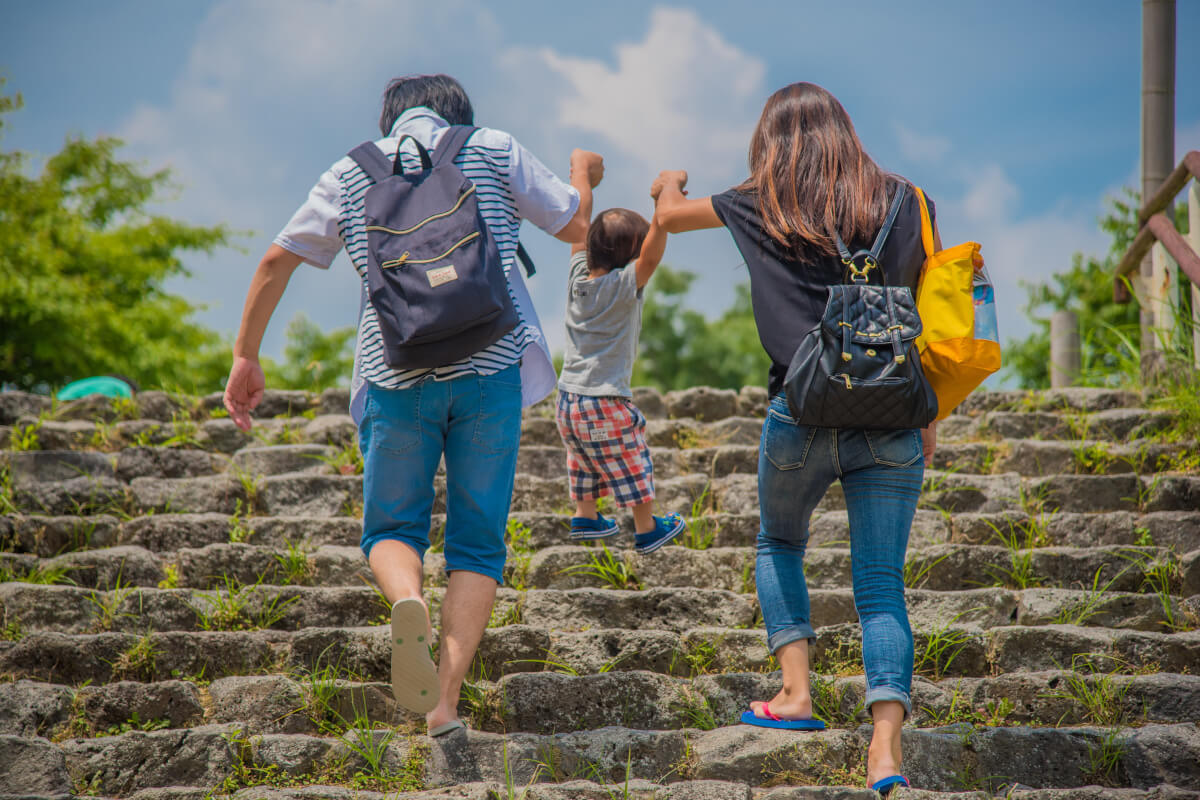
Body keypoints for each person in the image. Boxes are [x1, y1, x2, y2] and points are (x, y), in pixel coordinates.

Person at [222, 73, 601, 737]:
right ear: (459, 115)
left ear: (389, 119)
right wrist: (580, 173)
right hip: (489, 371)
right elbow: (579, 228)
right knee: (477, 547)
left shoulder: (349, 170)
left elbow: (275, 261)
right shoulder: (492, 148)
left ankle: (407, 601)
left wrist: (246, 356)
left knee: (392, 529)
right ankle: (444, 706)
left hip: (396, 375)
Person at [650, 81, 983, 795]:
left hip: (798, 415)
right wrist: (929, 419)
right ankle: (885, 750)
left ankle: (796, 696)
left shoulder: (754, 201)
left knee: (779, 542)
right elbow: (934, 313)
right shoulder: (909, 201)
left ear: (770, 141)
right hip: (893, 416)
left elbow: (670, 217)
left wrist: (669, 182)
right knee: (881, 586)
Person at [554, 167, 685, 553]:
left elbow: (580, 224)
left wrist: (580, 173)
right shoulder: (624, 286)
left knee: (582, 457)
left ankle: (585, 514)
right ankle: (646, 528)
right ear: (630, 257)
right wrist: (665, 198)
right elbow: (654, 251)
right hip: (606, 401)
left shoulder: (578, 279)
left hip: (568, 403)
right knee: (631, 457)